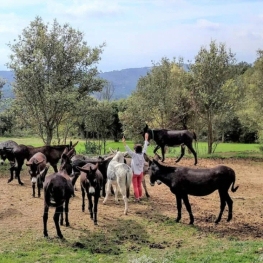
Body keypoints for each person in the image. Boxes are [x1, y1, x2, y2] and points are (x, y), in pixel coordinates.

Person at [122, 133, 149, 202]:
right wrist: (146, 139)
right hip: (141, 173)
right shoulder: (142, 154)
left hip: (134, 174)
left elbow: (128, 150)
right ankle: (140, 196)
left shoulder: (134, 155)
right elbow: (145, 147)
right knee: (139, 185)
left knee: (135, 186)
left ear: (135, 150)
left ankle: (137, 198)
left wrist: (124, 142)